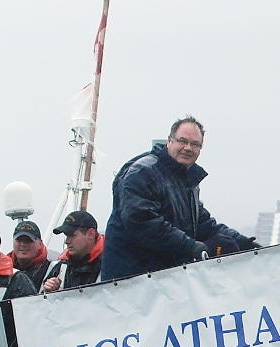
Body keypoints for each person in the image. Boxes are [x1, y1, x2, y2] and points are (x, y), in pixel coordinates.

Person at [101, 117, 257, 282]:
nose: (188, 148)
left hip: (163, 282)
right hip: (131, 282)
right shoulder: (143, 172)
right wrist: (190, 247)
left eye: (195, 144)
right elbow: (141, 222)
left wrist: (245, 244)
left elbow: (203, 224)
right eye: (182, 141)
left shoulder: (188, 182)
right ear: (169, 141)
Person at [42, 210, 105, 291]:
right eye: (67, 236)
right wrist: (48, 292)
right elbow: (42, 301)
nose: (67, 241)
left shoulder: (111, 264)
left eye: (72, 235)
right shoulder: (61, 267)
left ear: (91, 234)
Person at [9, 220, 52, 288]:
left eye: (28, 240)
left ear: (40, 243)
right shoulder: (2, 270)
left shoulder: (53, 270)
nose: (22, 244)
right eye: (19, 240)